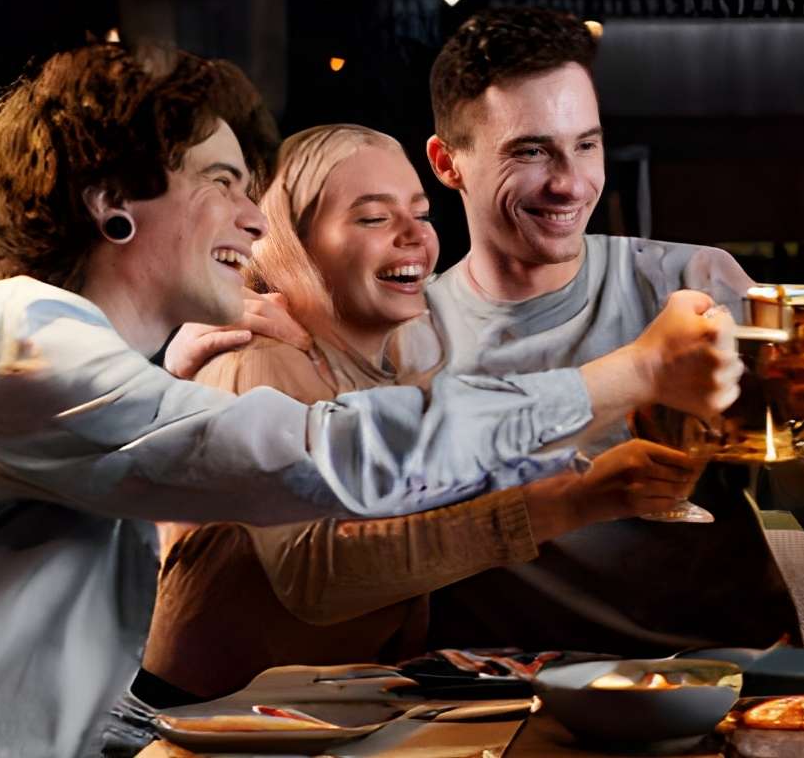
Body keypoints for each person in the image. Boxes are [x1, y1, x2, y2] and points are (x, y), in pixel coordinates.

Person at [0, 45, 738, 757]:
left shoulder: (88, 358)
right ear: (113, 202)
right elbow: (327, 465)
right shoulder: (25, 338)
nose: (252, 217)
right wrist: (629, 375)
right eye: (223, 181)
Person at [172, 7, 800, 653]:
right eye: (530, 151)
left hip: (723, 680)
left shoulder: (690, 284)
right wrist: (204, 343)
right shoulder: (390, 336)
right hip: (482, 706)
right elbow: (323, 567)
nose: (571, 182)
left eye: (586, 144)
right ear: (448, 163)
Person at [140, 124, 707, 702]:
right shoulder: (255, 353)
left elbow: (477, 446)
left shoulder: (410, 357)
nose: (415, 238)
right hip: (204, 724)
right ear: (295, 242)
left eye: (421, 213)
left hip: (344, 714)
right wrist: (571, 502)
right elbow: (316, 577)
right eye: (373, 218)